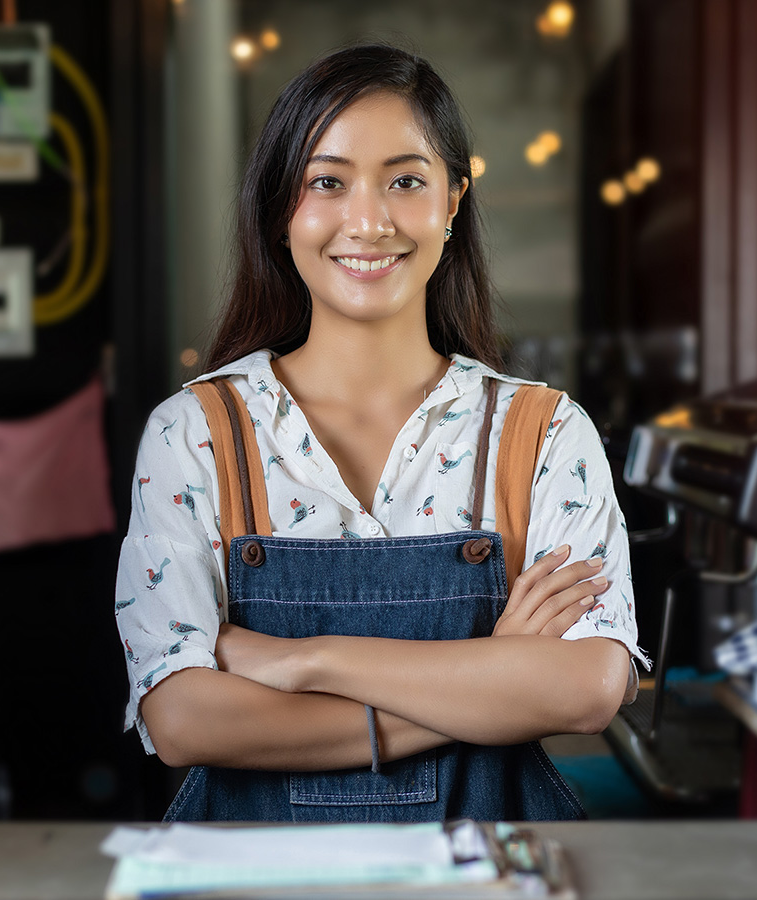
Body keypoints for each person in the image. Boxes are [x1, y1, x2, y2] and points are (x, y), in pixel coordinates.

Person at [115, 43, 648, 823]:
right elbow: (183, 720)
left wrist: (304, 662)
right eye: (327, 182)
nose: (368, 221)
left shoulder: (543, 434)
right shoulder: (194, 434)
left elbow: (588, 688)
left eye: (406, 181)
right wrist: (491, 680)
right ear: (280, 210)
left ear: (453, 201)